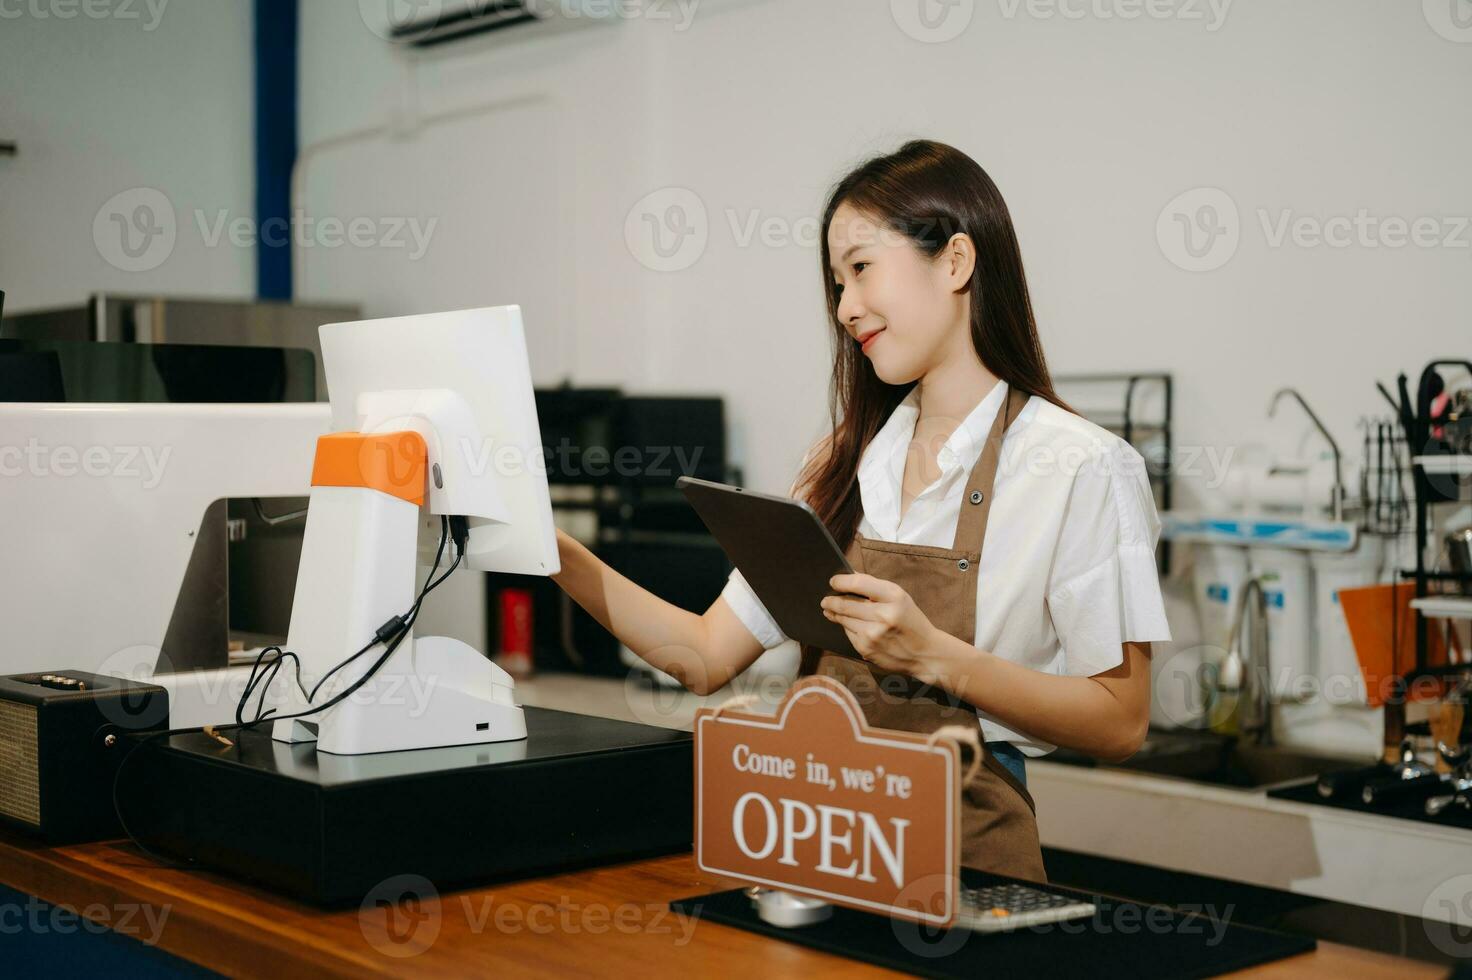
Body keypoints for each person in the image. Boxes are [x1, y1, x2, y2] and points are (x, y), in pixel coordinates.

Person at [552, 139, 1171, 882]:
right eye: (836, 282)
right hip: (819, 853)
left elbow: (1121, 720)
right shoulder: (843, 461)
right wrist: (551, 551)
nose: (845, 308)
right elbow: (705, 657)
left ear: (955, 262)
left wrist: (932, 654)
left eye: (861, 269)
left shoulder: (1079, 466)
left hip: (965, 879)